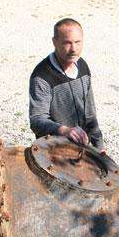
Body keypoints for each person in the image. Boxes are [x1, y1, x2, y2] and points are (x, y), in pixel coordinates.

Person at [28, 18, 105, 152]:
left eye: (77, 42)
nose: (74, 49)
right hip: (53, 151)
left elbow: (90, 113)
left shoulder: (82, 65)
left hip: (82, 147)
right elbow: (37, 120)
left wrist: (99, 146)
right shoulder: (42, 76)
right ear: (54, 42)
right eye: (67, 43)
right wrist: (64, 130)